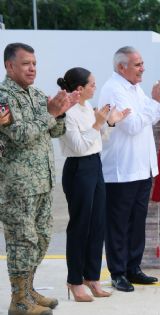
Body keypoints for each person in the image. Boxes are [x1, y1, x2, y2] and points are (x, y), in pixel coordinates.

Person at [0, 42, 78, 315]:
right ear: (10, 66)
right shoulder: (3, 97)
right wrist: (50, 114)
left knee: (42, 237)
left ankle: (29, 290)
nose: (32, 68)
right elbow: (19, 135)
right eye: (25, 64)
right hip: (17, 186)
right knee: (23, 241)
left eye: (34, 63)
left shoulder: (36, 94)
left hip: (42, 182)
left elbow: (54, 131)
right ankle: (19, 301)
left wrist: (62, 110)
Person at [98, 46, 160, 292]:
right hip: (121, 171)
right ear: (121, 67)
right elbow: (134, 125)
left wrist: (158, 104)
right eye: (137, 65)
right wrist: (159, 105)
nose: (143, 68)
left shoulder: (134, 88)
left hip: (142, 168)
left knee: (137, 223)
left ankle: (133, 268)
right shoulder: (113, 89)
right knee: (118, 224)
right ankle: (118, 273)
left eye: (142, 63)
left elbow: (150, 115)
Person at [57, 67, 130, 302]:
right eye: (92, 84)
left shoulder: (88, 107)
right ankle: (75, 280)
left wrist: (108, 123)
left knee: (98, 224)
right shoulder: (67, 111)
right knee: (80, 226)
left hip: (95, 166)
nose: (95, 88)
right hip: (78, 169)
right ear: (80, 88)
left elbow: (97, 140)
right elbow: (78, 146)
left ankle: (92, 277)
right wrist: (99, 124)